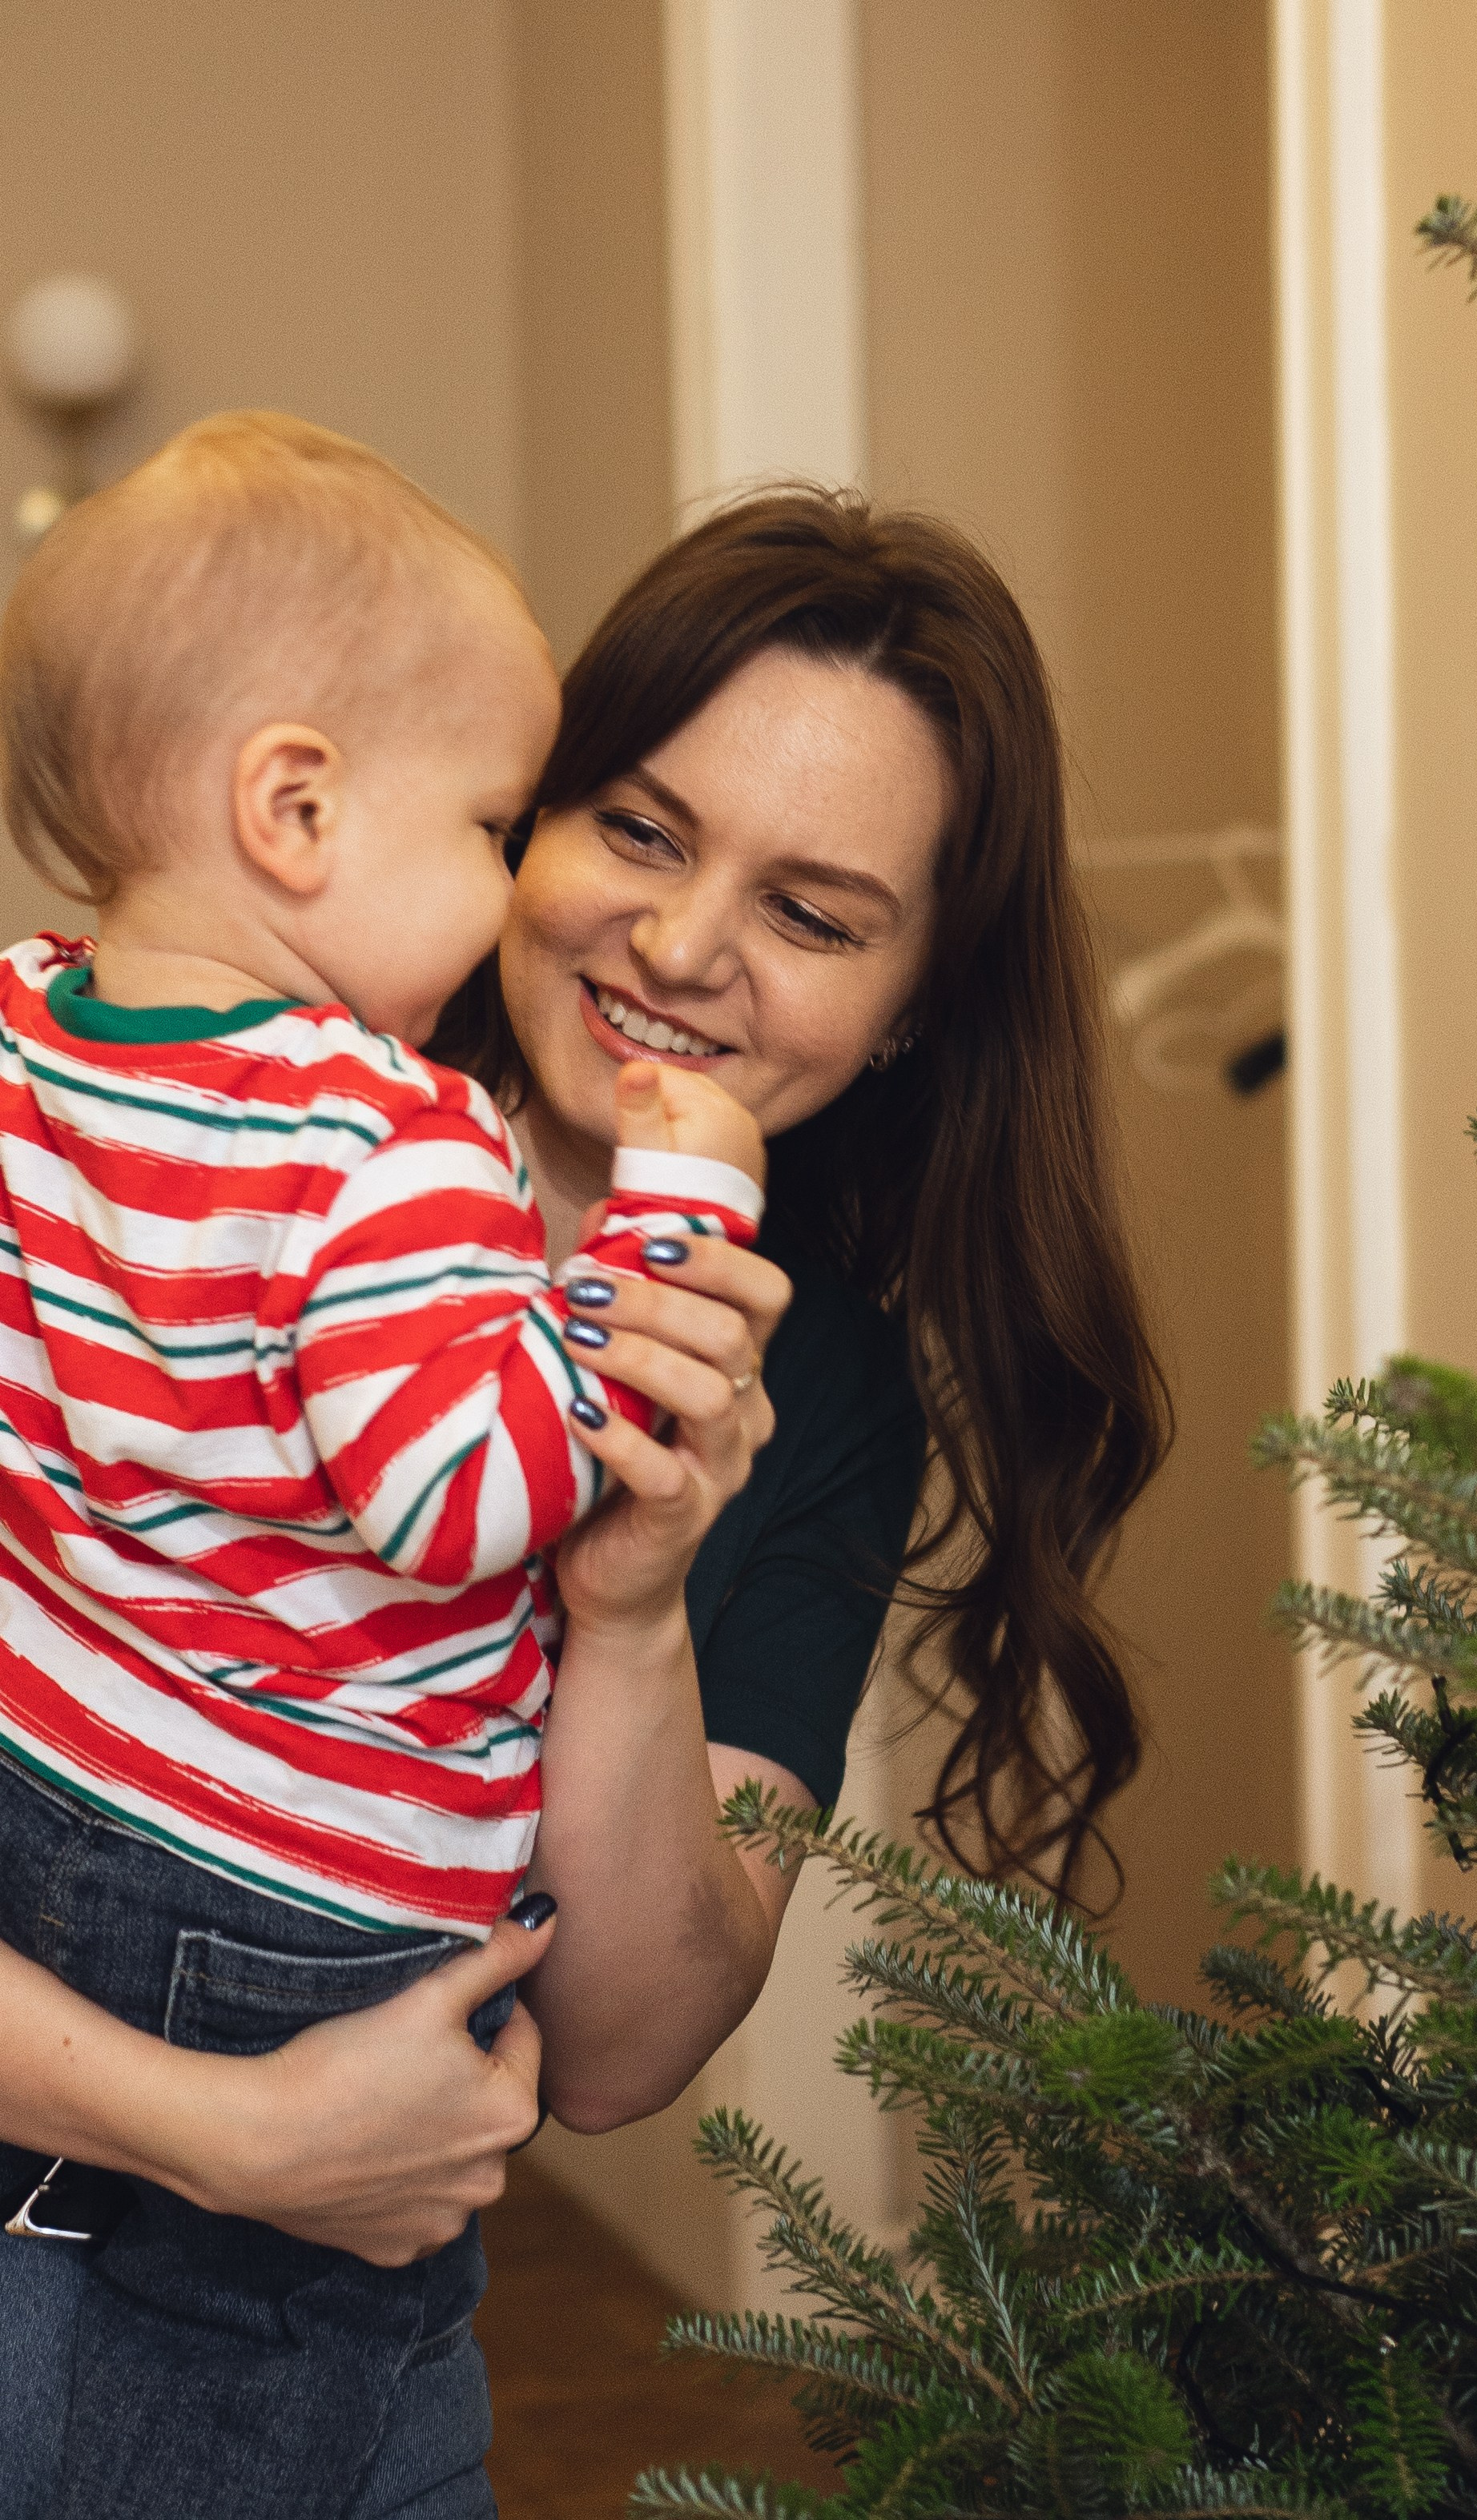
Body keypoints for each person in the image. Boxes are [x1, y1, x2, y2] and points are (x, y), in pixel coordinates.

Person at [1, 484, 1169, 2516]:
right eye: (634, 827)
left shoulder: (817, 1387)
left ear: (905, 1010)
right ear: (519, 810)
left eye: (812, 916)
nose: (683, 948)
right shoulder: (144, 1149)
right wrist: (219, 2128)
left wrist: (627, 1602)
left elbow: (619, 2054)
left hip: (363, 2348)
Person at [0, 411, 769, 2520]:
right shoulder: (390, 1135)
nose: (516, 880)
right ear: (297, 806)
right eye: (497, 820)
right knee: (278, 2392)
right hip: (297, 1901)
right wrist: (667, 1219)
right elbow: (459, 1497)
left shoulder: (27, 1040)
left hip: (43, 1795)